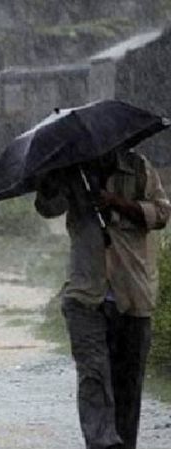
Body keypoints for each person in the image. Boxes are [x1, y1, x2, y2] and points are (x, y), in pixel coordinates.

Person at [35, 149, 170, 449]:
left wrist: (117, 203)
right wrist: (47, 183)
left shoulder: (138, 167)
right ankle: (102, 443)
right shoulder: (73, 170)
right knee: (93, 376)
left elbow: (161, 213)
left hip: (132, 292)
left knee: (128, 386)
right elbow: (48, 208)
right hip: (85, 294)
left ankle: (122, 443)